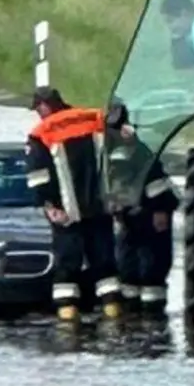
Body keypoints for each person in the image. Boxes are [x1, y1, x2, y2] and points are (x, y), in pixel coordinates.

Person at [26, 86, 124, 321]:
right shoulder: (95, 118)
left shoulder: (42, 132)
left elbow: (39, 176)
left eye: (38, 109)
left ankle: (68, 321)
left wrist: (50, 205)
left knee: (67, 269)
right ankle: (114, 316)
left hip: (67, 213)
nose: (38, 114)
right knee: (106, 268)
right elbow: (119, 157)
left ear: (45, 106)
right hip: (101, 208)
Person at [104, 105, 177, 313]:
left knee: (151, 267)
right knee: (129, 268)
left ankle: (150, 313)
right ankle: (133, 312)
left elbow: (156, 184)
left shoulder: (138, 151)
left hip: (149, 215)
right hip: (129, 217)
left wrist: (160, 211)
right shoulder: (111, 150)